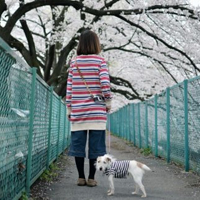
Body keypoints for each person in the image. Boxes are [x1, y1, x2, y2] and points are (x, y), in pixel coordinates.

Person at [66, 30, 112, 187]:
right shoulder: (100, 61)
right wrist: (107, 102)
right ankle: (92, 178)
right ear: (96, 43)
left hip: (78, 110)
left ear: (80, 44)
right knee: (96, 146)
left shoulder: (74, 62)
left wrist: (69, 108)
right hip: (97, 112)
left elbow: (69, 87)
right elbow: (105, 84)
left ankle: (80, 177)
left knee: (78, 144)